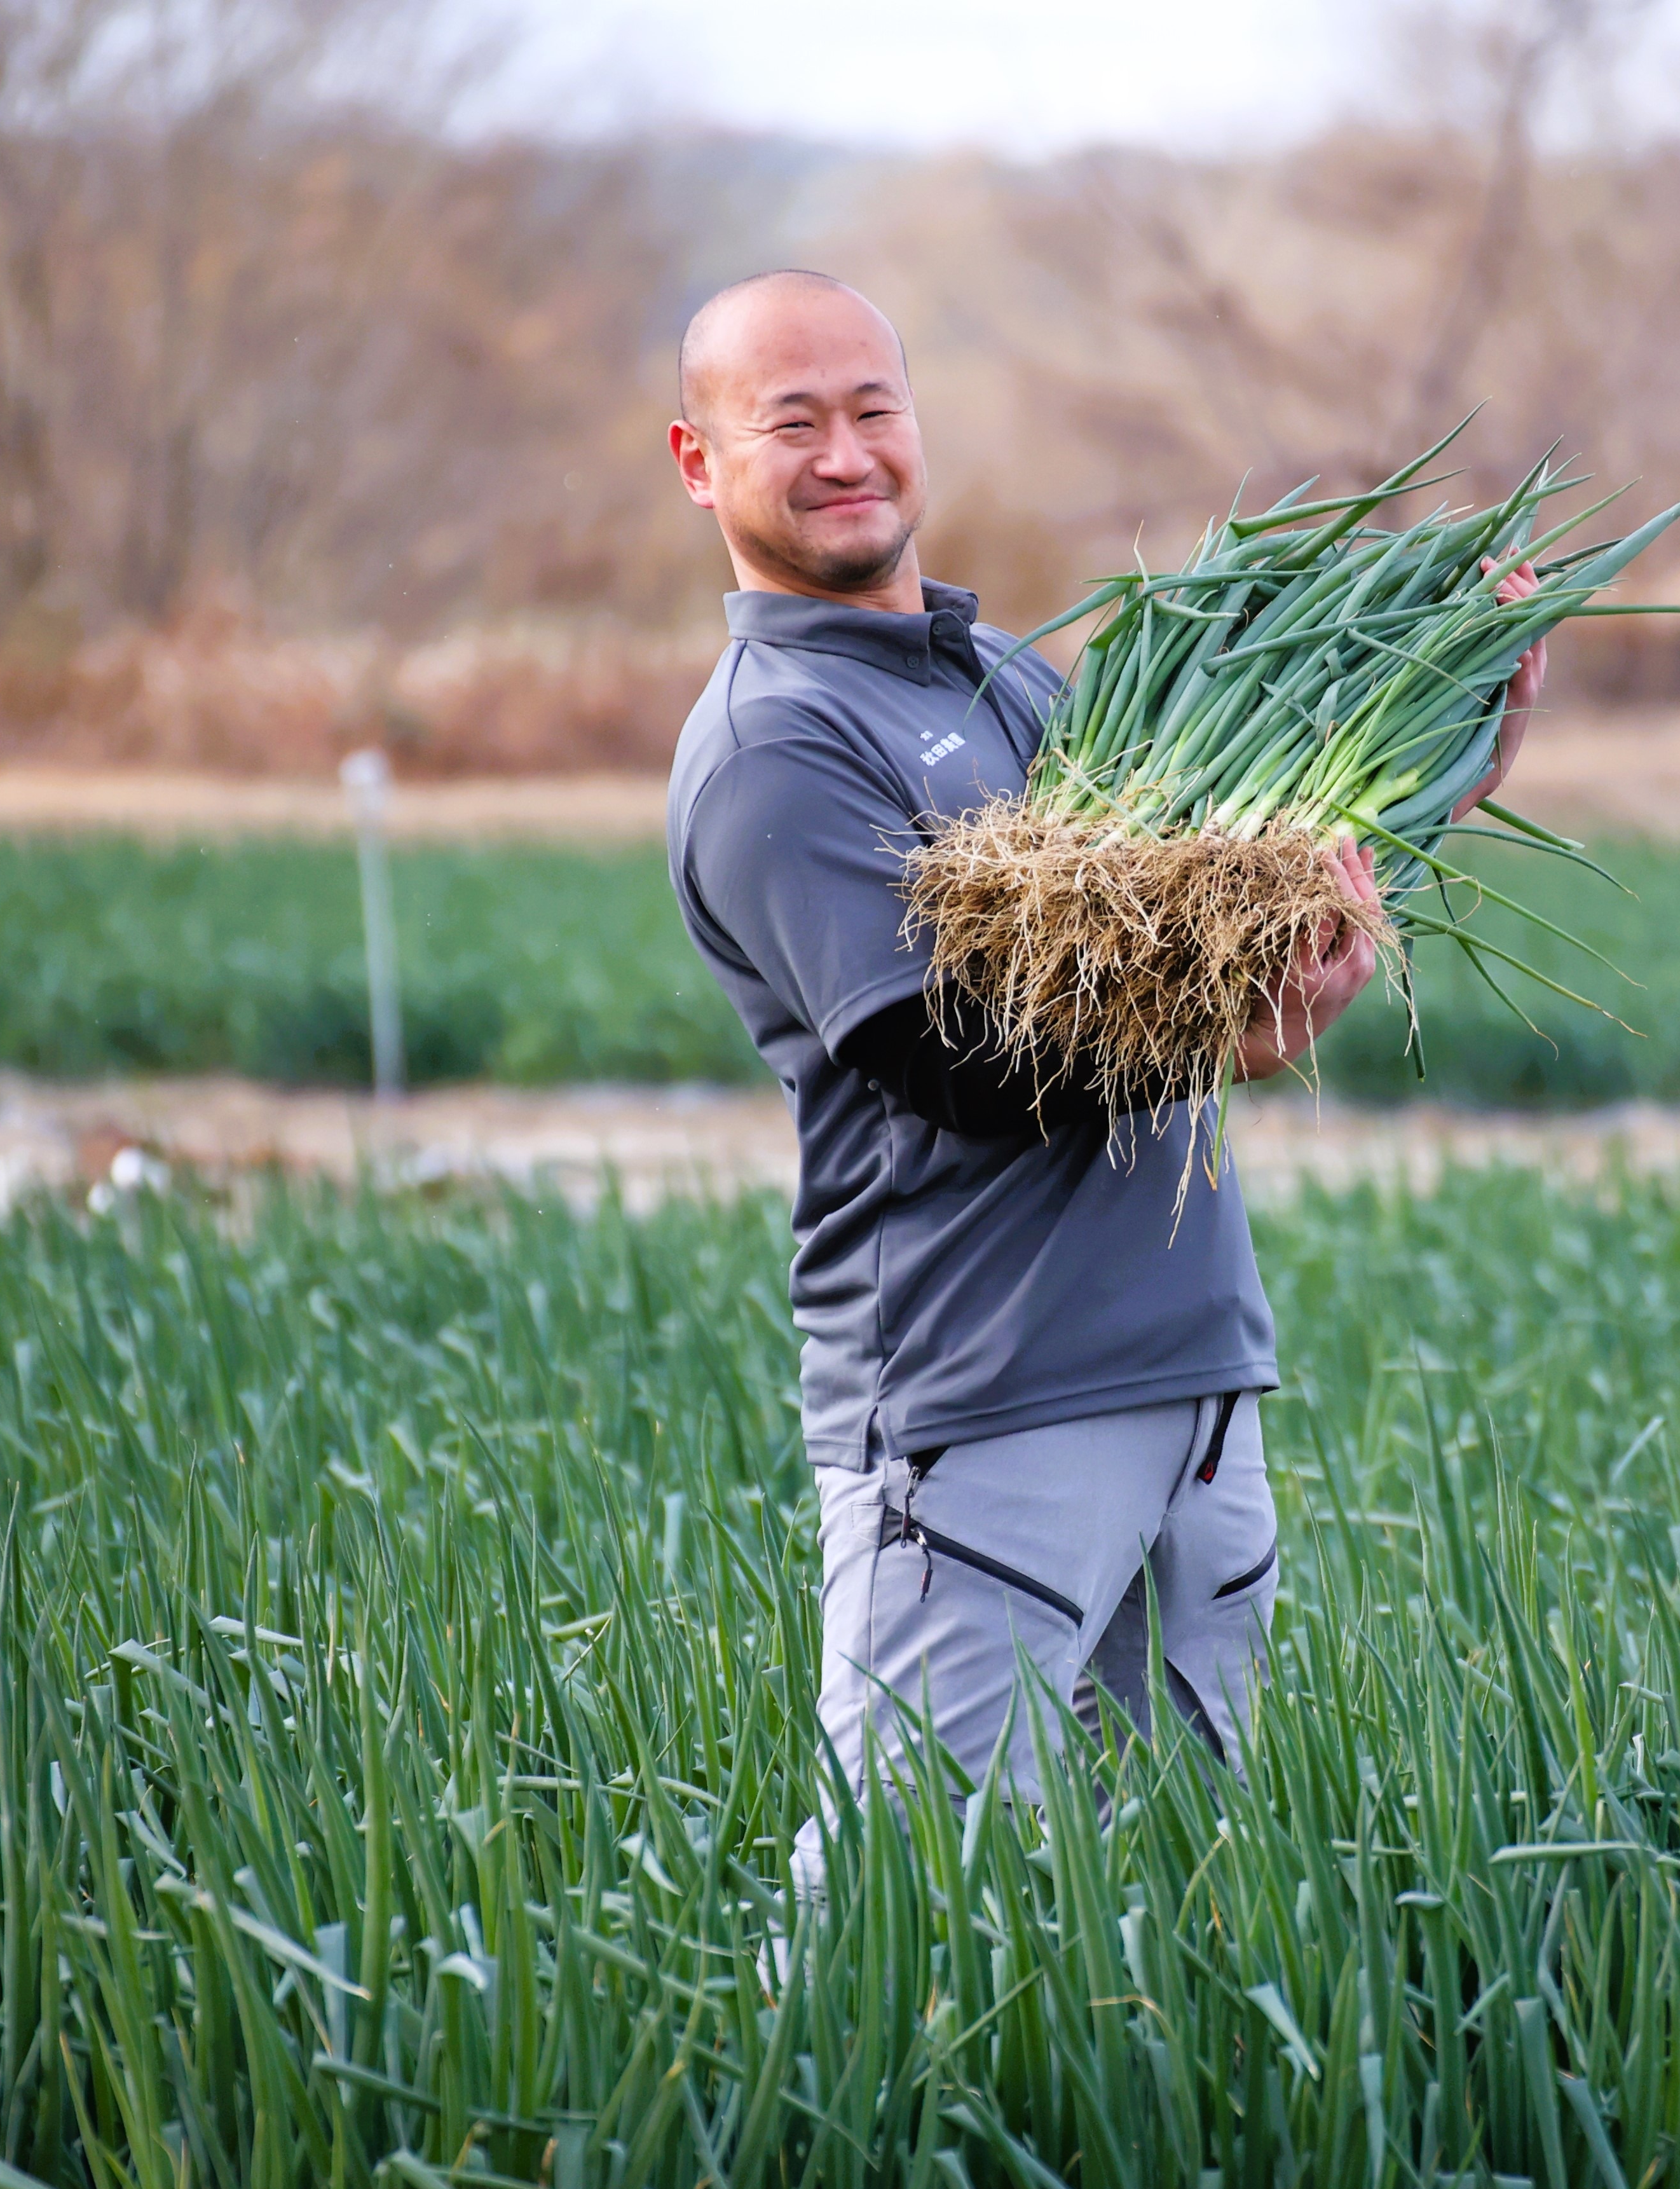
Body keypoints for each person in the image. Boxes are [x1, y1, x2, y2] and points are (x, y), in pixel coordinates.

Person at [663, 270, 1547, 1883]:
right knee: (905, 1906)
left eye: (873, 408)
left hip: (1192, 1384)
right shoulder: (774, 747)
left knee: (1176, 1902)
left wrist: (1435, 774)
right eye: (793, 423)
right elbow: (949, 1061)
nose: (847, 453)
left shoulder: (1014, 680)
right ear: (697, 460)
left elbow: (1221, 919)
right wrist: (1225, 1045)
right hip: (984, 1412)